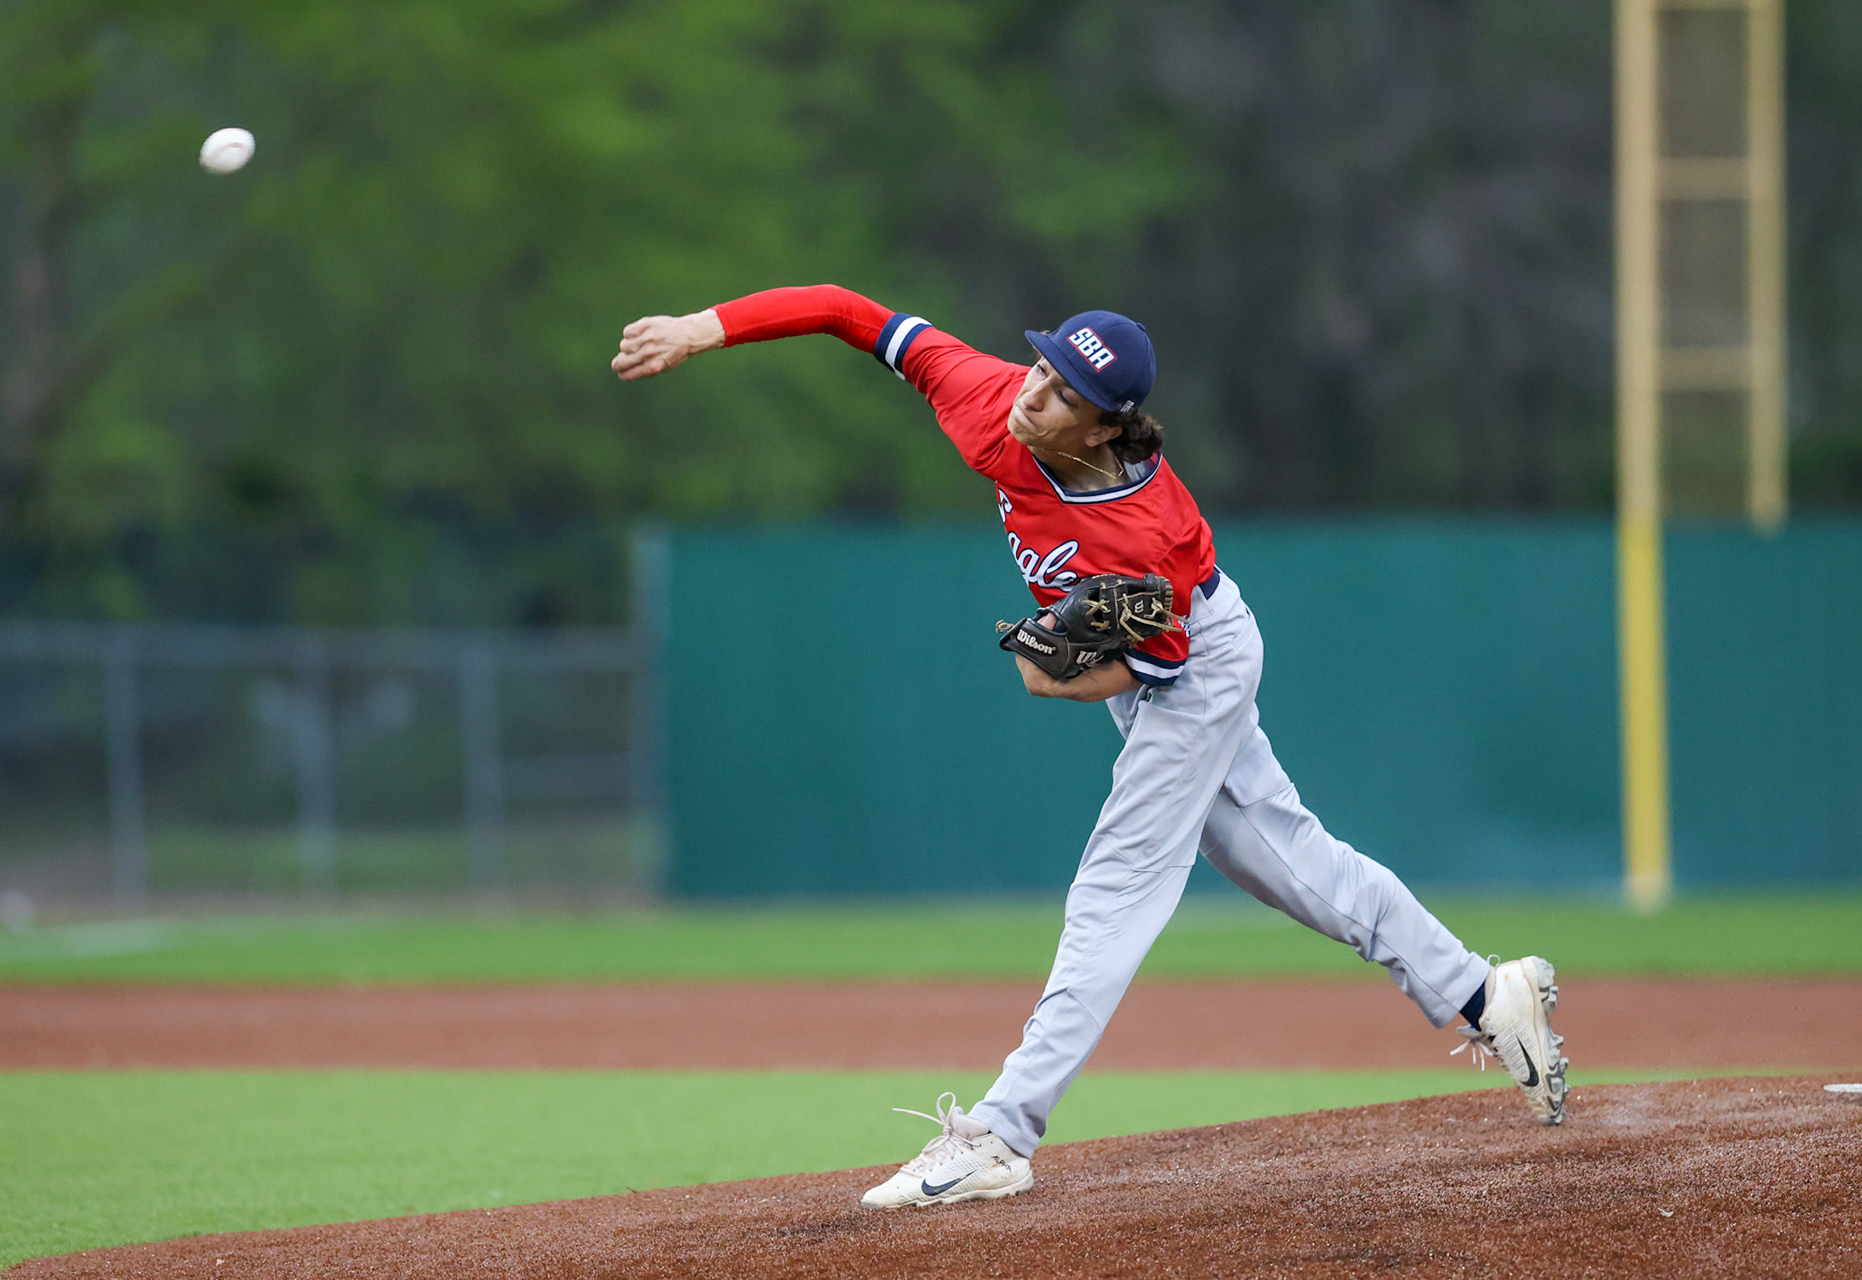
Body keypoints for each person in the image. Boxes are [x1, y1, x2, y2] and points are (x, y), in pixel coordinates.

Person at [612, 285, 1567, 1209]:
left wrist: (1048, 676)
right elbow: (846, 310)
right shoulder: (988, 396)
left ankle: (998, 1134)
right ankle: (1486, 993)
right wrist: (704, 328)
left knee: (1119, 883)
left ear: (1107, 426)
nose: (1036, 390)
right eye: (1044, 364)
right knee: (1281, 858)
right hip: (1176, 651)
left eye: (1067, 391)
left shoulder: (1139, 533)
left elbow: (1159, 669)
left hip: (1192, 658)